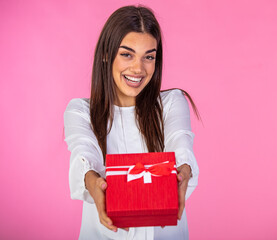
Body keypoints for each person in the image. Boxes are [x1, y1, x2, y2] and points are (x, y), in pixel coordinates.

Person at [64, 5, 199, 240]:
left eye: (149, 57)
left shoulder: (171, 103)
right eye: (127, 54)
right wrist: (93, 183)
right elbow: (84, 153)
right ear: (107, 54)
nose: (138, 68)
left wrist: (184, 171)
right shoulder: (81, 111)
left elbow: (181, 142)